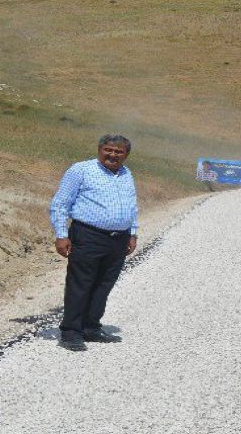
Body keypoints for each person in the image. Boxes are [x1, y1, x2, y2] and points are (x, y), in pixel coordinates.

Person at [49, 134, 138, 352]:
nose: (113, 154)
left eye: (119, 152)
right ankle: (71, 332)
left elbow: (132, 205)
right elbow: (60, 203)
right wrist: (61, 235)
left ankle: (91, 327)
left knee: (104, 284)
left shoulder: (127, 174)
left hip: (119, 239)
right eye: (108, 149)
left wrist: (132, 234)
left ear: (126, 155)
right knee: (81, 284)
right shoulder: (81, 170)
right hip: (88, 235)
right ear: (100, 149)